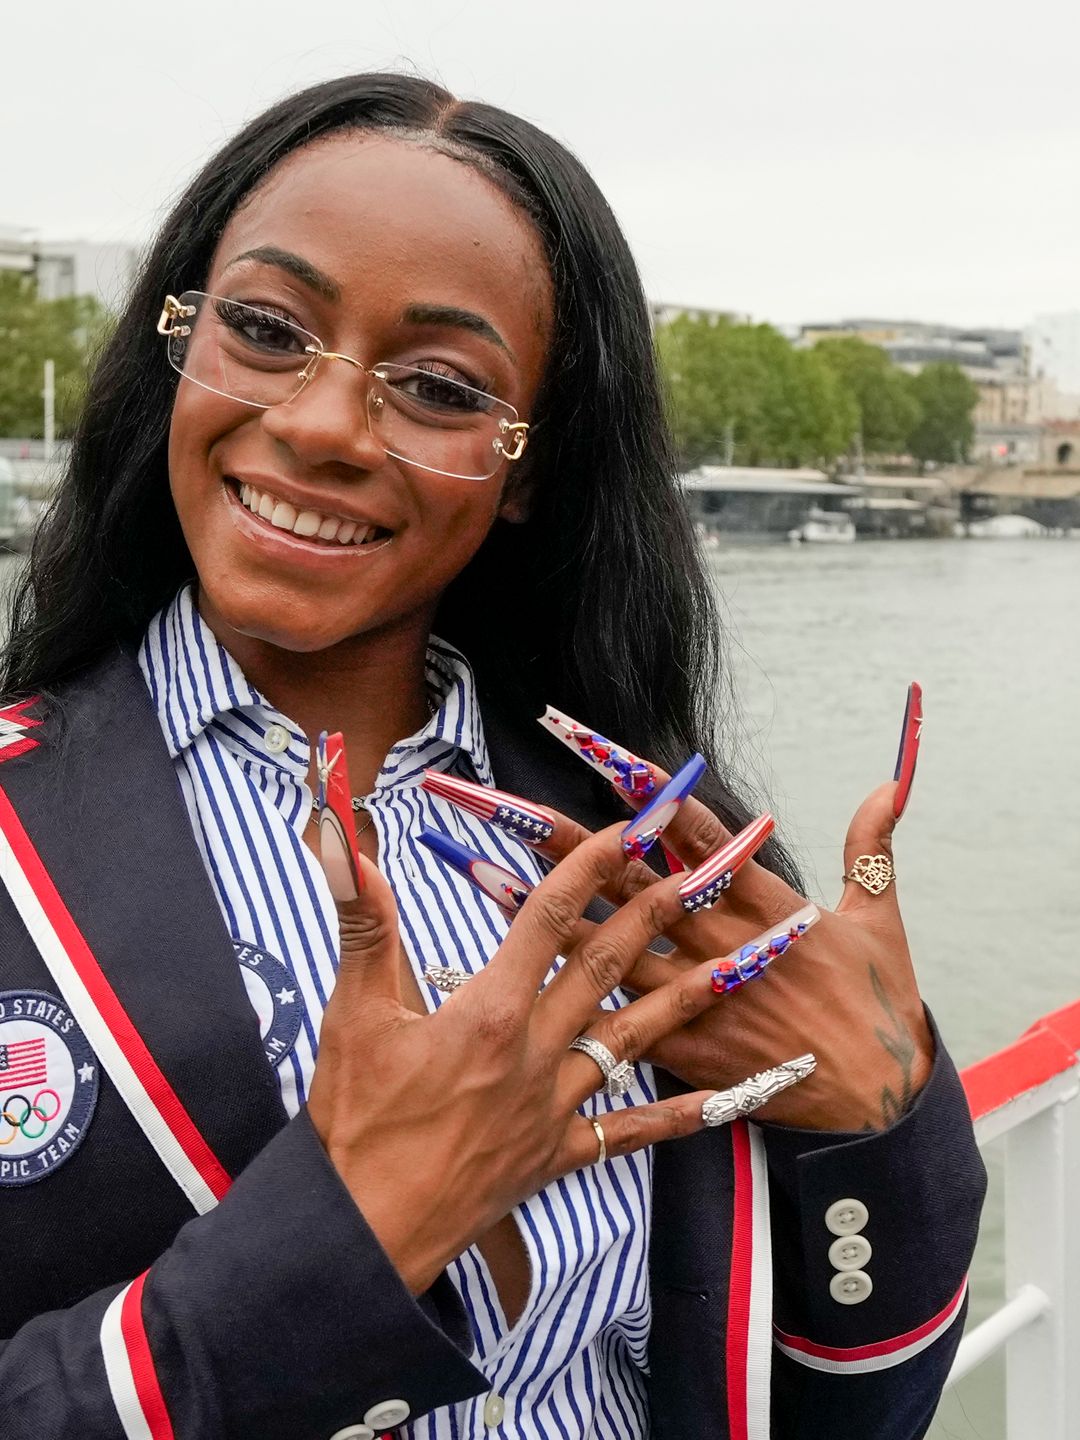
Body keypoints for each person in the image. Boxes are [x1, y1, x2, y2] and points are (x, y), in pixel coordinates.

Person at [0, 73, 983, 1440]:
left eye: (442, 386)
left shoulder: (640, 846)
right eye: (267, 329)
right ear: (181, 339)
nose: (326, 423)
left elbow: (835, 1407)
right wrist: (340, 1244)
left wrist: (881, 1119)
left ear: (530, 469)